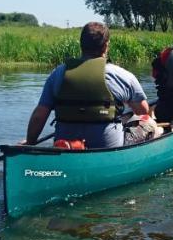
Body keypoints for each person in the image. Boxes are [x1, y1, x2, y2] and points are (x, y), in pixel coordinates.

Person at [24, 22, 154, 149]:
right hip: (108, 148)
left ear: (81, 45)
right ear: (106, 46)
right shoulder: (122, 76)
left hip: (66, 148)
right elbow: (143, 112)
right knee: (151, 125)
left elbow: (39, 115)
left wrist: (30, 143)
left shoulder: (58, 74)